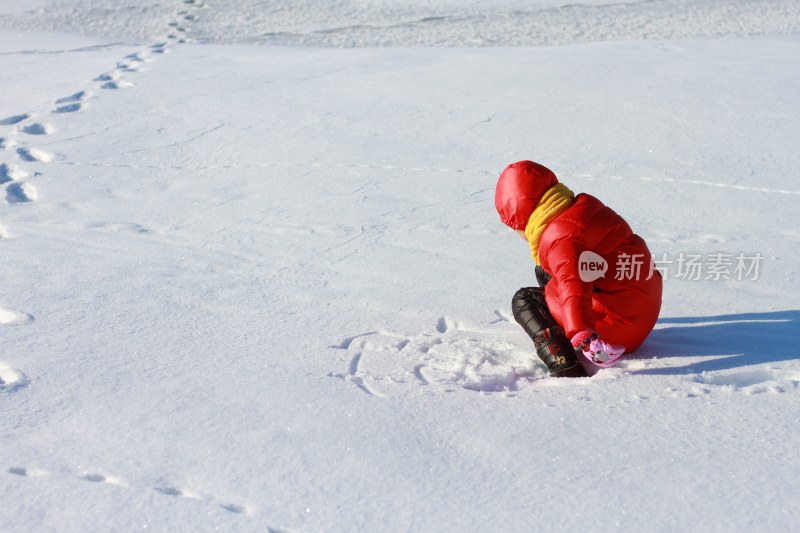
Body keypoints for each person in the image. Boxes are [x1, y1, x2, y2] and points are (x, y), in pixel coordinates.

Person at [495, 160, 662, 377]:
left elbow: (573, 284)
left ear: (525, 219)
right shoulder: (584, 208)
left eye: (515, 227)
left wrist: (582, 335)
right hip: (641, 308)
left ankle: (564, 364)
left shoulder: (560, 237)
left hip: (617, 332)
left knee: (525, 299)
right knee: (545, 272)